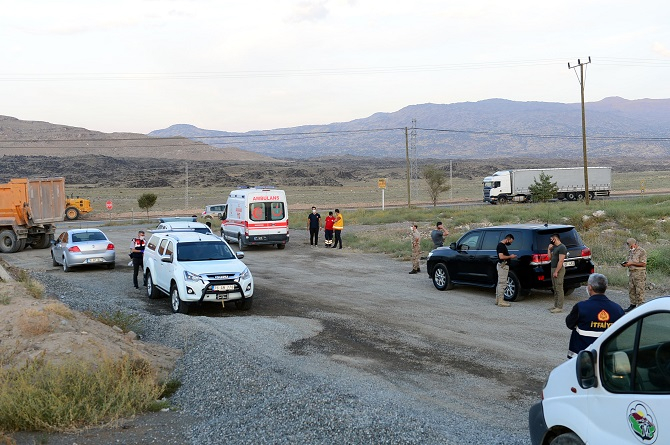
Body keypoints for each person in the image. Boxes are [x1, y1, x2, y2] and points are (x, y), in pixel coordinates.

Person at [565, 273, 625, 359]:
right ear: (606, 287)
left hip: (581, 357)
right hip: (606, 357)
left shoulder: (581, 307)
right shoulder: (618, 309)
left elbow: (569, 323)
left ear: (590, 287)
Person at [622, 237, 647, 312]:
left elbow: (643, 263)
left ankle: (641, 307)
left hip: (639, 274)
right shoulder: (631, 251)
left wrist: (632, 263)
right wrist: (626, 264)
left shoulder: (642, 251)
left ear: (634, 244)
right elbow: (630, 261)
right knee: (631, 290)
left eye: (630, 245)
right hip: (631, 273)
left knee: (639, 290)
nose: (630, 247)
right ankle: (632, 305)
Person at [495, 234, 517, 307]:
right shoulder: (501, 246)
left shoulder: (502, 245)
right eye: (511, 241)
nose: (510, 243)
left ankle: (498, 300)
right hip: (503, 266)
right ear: (508, 239)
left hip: (502, 266)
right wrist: (510, 256)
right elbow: (501, 257)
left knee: (500, 282)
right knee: (502, 283)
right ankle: (501, 301)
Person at [548, 233, 567, 313]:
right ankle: (555, 305)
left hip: (558, 269)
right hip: (553, 268)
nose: (551, 241)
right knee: (555, 288)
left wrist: (556, 271)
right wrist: (549, 249)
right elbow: (550, 257)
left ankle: (559, 307)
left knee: (559, 288)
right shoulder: (555, 248)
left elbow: (561, 261)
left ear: (555, 239)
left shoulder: (562, 247)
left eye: (551, 239)